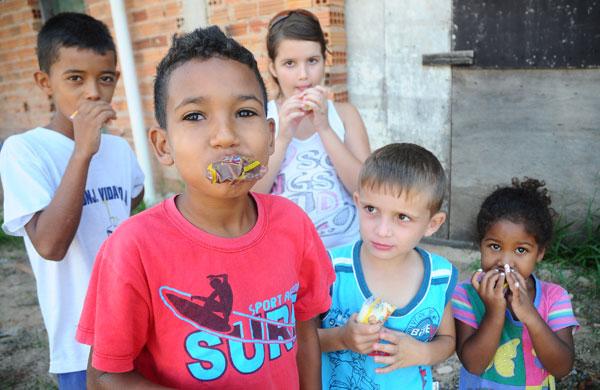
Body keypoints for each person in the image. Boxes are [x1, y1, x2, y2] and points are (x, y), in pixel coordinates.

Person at [76, 26, 335, 389]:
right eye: (195, 116)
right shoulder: (133, 248)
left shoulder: (293, 224)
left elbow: (305, 334)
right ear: (163, 145)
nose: (226, 135)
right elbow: (104, 375)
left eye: (245, 113)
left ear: (271, 135)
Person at [0, 12, 144, 389]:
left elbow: (134, 201)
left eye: (106, 78)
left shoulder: (118, 149)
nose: (94, 92)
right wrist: (82, 153)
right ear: (45, 83)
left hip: (135, 326)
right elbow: (50, 245)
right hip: (81, 342)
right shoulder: (24, 150)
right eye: (75, 79)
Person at [319, 143, 458, 389]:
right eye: (371, 209)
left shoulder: (439, 277)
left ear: (432, 223)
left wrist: (423, 354)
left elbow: (447, 340)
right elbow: (300, 340)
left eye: (402, 217)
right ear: (357, 202)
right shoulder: (331, 269)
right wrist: (341, 337)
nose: (382, 230)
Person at [253, 9, 371, 249]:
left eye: (312, 61)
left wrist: (325, 128)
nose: (303, 75)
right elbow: (251, 195)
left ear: (324, 60)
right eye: (289, 63)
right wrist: (283, 136)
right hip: (285, 254)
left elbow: (367, 188)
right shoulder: (261, 118)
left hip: (345, 250)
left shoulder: (345, 114)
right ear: (273, 68)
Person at [452, 178, 578, 389]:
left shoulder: (554, 298)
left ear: (540, 253)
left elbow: (562, 368)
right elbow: (474, 364)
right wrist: (494, 312)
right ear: (480, 244)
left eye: (521, 250)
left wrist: (530, 314)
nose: (505, 262)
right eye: (494, 246)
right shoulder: (465, 295)